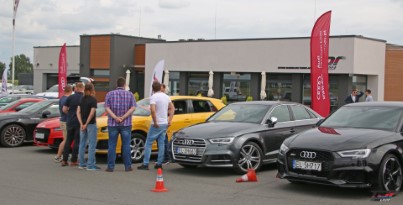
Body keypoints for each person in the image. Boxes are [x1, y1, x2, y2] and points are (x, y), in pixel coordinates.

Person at [138, 81, 174, 170]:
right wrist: (169, 120)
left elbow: (153, 111)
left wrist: (155, 122)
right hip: (164, 123)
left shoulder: (153, 97)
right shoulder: (166, 97)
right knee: (161, 143)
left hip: (156, 123)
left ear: (153, 89)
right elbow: (172, 108)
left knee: (149, 143)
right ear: (160, 88)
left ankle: (145, 163)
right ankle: (159, 163)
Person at [105, 77, 136, 172]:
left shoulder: (109, 94)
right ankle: (128, 166)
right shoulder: (130, 94)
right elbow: (133, 108)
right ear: (124, 85)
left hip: (112, 123)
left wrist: (115, 117)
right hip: (126, 123)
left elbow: (107, 108)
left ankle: (110, 167)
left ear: (116, 84)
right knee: (126, 145)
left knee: (112, 145)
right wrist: (123, 117)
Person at [77, 83, 99, 170]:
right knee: (92, 144)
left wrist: (81, 123)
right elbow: (92, 112)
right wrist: (86, 123)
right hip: (91, 124)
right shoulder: (93, 99)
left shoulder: (81, 99)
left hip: (82, 124)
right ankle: (90, 164)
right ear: (92, 90)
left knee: (82, 143)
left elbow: (78, 111)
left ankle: (82, 163)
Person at [61, 82, 84, 166]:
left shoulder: (70, 97)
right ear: (82, 89)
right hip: (79, 121)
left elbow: (64, 109)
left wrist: (70, 113)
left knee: (68, 140)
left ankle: (64, 160)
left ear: (76, 89)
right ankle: (74, 160)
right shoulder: (84, 98)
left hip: (70, 121)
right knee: (77, 141)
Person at [54, 85, 73, 163]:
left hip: (62, 120)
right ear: (71, 90)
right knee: (66, 140)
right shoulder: (67, 99)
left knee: (66, 139)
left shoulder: (62, 98)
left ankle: (64, 155)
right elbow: (65, 110)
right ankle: (58, 156)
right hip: (65, 120)